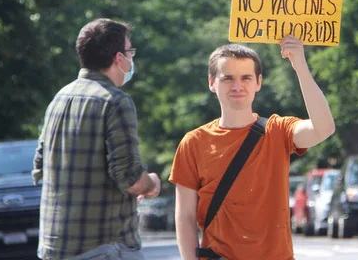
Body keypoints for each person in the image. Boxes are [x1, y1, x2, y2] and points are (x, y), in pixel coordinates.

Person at [169, 35, 335, 260]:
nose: (237, 86)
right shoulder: (193, 142)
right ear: (212, 83)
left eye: (246, 78)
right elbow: (185, 216)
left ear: (258, 82)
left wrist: (300, 66)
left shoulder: (278, 131)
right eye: (227, 78)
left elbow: (323, 128)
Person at [33, 18, 161, 260]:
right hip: (104, 247)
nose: (131, 59)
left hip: (54, 248)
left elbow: (39, 167)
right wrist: (152, 183)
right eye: (130, 51)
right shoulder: (116, 101)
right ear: (118, 58)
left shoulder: (60, 98)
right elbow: (130, 179)